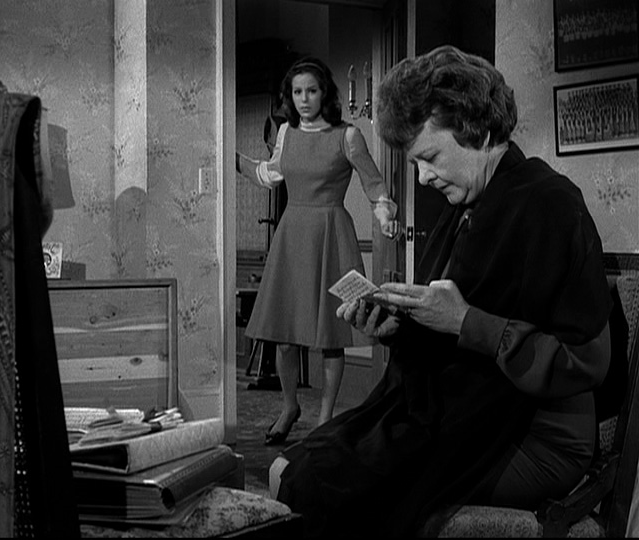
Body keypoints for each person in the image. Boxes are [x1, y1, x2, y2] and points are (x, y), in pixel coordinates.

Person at [268, 45, 619, 538]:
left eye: (429, 157)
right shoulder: (465, 208)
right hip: (465, 411)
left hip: (533, 435)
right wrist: (395, 328)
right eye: (415, 163)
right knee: (291, 465)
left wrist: (464, 320)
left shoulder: (551, 205)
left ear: (481, 131)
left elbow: (586, 363)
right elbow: (452, 341)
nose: (423, 177)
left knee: (323, 485)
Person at [236, 56, 398, 446]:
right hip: (292, 234)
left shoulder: (348, 136)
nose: (304, 98)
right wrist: (230, 159)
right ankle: (289, 407)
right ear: (290, 96)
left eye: (311, 90)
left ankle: (325, 417)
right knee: (284, 332)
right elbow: (269, 175)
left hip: (332, 233)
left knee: (331, 334)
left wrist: (383, 213)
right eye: (297, 92)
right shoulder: (286, 134)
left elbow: (373, 183)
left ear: (325, 93)